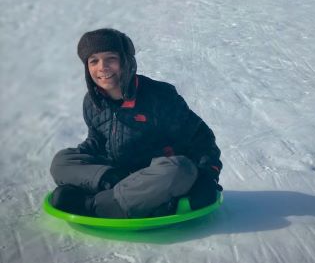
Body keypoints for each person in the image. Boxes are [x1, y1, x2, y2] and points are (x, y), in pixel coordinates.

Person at [50, 28, 222, 218]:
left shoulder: (160, 96)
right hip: (118, 175)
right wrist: (87, 164)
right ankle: (125, 194)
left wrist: (208, 175)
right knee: (61, 161)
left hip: (157, 175)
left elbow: (200, 137)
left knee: (180, 169)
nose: (102, 67)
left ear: (126, 61)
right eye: (94, 61)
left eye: (111, 59)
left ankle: (94, 205)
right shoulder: (92, 102)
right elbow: (97, 140)